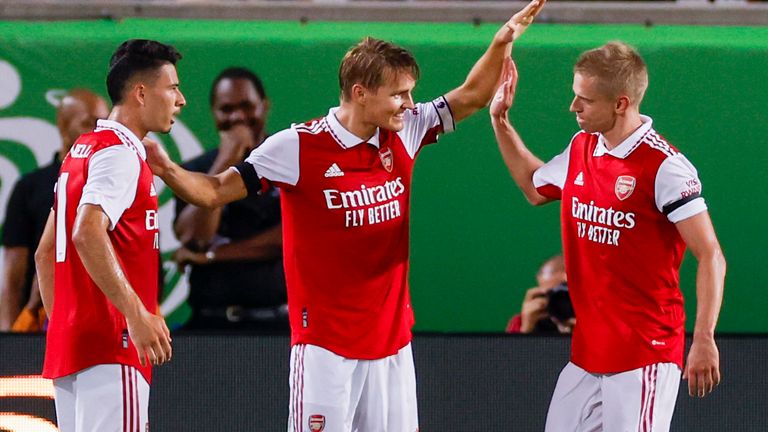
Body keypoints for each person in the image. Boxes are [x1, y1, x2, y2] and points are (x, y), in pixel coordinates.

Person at [145, 2, 546, 430]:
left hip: (392, 348)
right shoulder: (297, 146)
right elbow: (215, 191)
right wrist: (167, 168)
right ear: (360, 92)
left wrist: (501, 42)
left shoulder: (405, 130)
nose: (409, 104)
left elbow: (471, 95)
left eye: (410, 92)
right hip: (325, 352)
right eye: (398, 93)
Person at [490, 42, 726, 431]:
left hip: (644, 354)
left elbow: (711, 255)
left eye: (584, 100)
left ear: (620, 103)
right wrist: (500, 122)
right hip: (588, 353)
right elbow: (535, 189)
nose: (573, 107)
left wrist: (703, 337)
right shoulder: (583, 146)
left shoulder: (665, 167)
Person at [34, 39, 183, 432]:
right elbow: (86, 232)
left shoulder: (80, 152)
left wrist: (68, 324)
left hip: (74, 350)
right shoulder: (119, 154)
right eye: (172, 88)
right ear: (140, 93)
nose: (180, 100)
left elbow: (45, 254)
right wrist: (136, 315)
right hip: (112, 349)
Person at [172, 67, 286, 331]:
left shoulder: (289, 163)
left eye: (247, 106)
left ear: (264, 106)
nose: (237, 117)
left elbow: (292, 237)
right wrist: (226, 162)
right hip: (210, 324)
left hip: (278, 322)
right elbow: (194, 238)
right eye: (226, 109)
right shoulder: (192, 171)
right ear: (213, 113)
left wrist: (214, 255)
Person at [0, 89, 108, 333]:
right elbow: (14, 271)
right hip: (47, 319)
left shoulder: (115, 181)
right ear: (62, 125)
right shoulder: (30, 188)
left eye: (103, 123)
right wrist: (7, 337)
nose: (97, 131)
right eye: (88, 123)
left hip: (106, 316)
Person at [505, 254, 574, 334]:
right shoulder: (529, 321)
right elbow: (511, 346)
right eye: (555, 294)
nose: (566, 301)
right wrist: (526, 330)